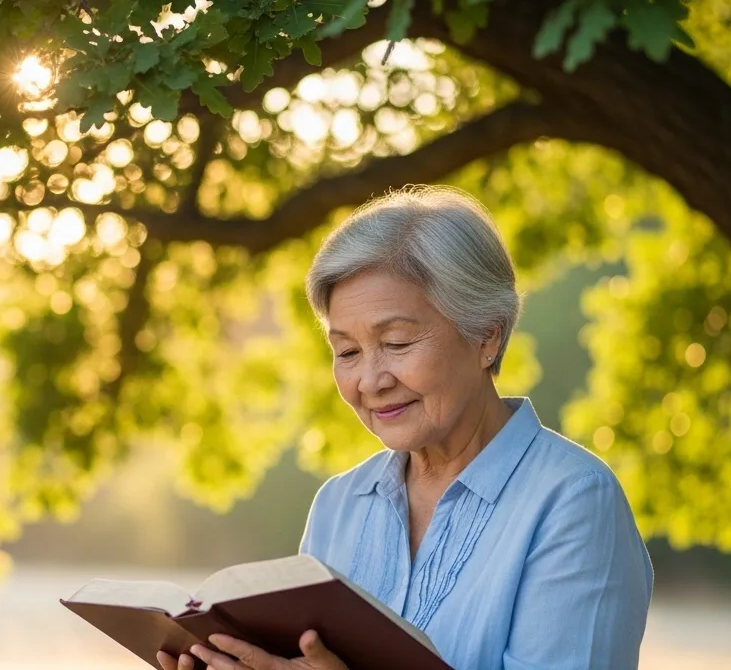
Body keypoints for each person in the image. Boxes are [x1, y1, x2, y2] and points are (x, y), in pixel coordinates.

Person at [157, 187, 652, 670]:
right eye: (347, 352)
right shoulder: (338, 504)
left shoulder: (574, 500)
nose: (371, 381)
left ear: (487, 335)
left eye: (396, 343)